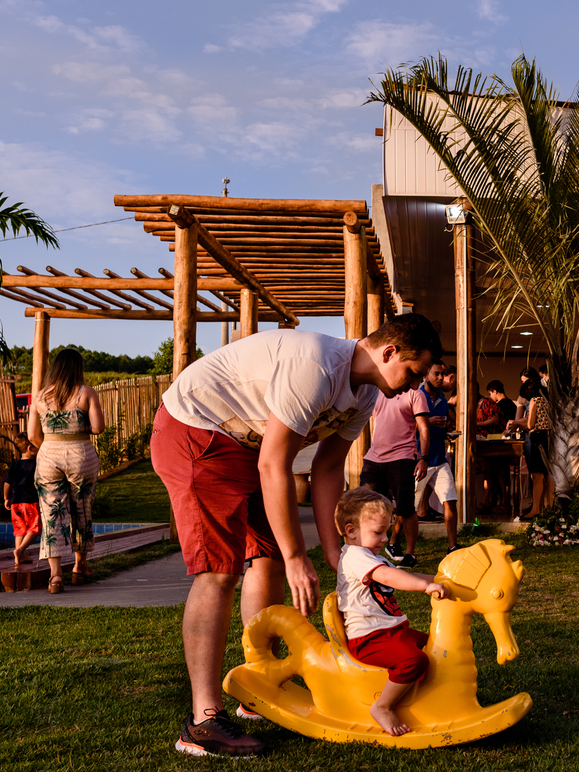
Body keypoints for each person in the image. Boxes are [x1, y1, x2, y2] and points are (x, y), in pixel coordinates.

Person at [156, 313, 441, 758]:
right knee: (219, 570)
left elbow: (327, 468)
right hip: (197, 431)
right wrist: (296, 556)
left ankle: (258, 684)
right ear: (388, 353)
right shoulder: (317, 366)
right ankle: (203, 721)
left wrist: (335, 553)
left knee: (264, 557)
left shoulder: (365, 392)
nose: (413, 386)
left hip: (246, 445)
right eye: (412, 373)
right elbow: (275, 464)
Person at [335, 487, 447, 736]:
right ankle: (383, 706)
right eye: (378, 532)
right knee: (413, 660)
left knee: (437, 646)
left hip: (391, 631)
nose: (385, 539)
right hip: (368, 638)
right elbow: (389, 576)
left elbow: (402, 574)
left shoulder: (369, 555)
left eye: (386, 531)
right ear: (351, 531)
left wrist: (445, 578)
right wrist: (425, 587)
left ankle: (427, 698)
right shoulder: (355, 556)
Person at [27, 348, 106, 595]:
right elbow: (98, 427)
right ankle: (79, 567)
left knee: (52, 513)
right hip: (80, 454)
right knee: (81, 509)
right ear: (77, 368)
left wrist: (50, 447)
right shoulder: (86, 393)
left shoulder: (39, 397)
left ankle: (55, 576)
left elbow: (31, 435)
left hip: (49, 455)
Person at [361, 370, 431, 570]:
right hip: (373, 458)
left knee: (406, 508)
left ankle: (410, 554)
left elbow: (424, 429)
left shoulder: (415, 394)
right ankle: (368, 551)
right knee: (367, 507)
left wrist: (423, 459)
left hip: (402, 458)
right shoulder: (379, 391)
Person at [412, 360, 461, 552]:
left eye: (442, 374)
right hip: (419, 460)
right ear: (425, 376)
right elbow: (406, 426)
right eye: (436, 374)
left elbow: (444, 425)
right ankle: (395, 544)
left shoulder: (442, 400)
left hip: (440, 459)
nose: (440, 378)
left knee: (450, 500)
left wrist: (447, 429)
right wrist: (428, 422)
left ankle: (453, 546)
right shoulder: (417, 396)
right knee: (409, 509)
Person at [506, 378, 552, 518]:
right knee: (548, 476)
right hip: (549, 438)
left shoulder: (534, 401)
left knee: (536, 476)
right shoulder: (547, 400)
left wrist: (517, 424)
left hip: (537, 438)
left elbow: (531, 424)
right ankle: (549, 508)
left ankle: (536, 509)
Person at [3, 433, 40, 567]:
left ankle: (19, 557)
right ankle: (20, 550)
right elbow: (37, 483)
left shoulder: (14, 465)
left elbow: (7, 483)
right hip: (31, 502)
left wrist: (6, 498)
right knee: (34, 529)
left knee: (20, 530)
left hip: (16, 502)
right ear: (30, 448)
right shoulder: (36, 463)